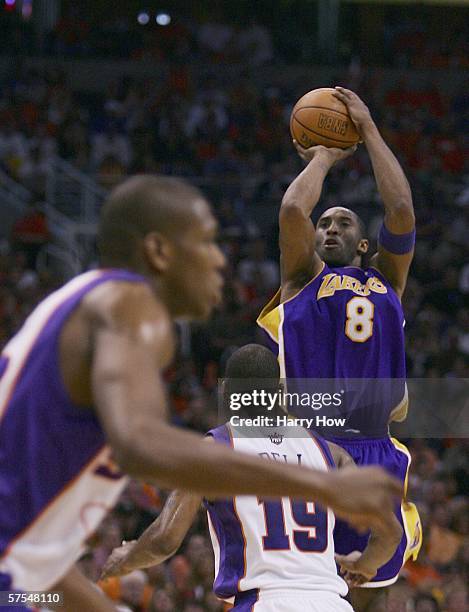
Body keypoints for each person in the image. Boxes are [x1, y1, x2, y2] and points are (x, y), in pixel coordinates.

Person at [0, 175, 401, 611]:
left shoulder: (101, 311)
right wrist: (320, 487)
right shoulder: (126, 307)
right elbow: (141, 444)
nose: (218, 260)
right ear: (159, 252)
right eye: (207, 242)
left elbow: (31, 573)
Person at [257, 88, 422, 612]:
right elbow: (291, 210)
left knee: (371, 583)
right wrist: (325, 154)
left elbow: (399, 209)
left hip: (375, 445)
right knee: (300, 589)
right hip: (314, 444)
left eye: (342, 222)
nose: (329, 228)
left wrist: (368, 129)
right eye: (324, 223)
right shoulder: (302, 278)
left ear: (364, 243)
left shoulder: (388, 280)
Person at [101, 344, 402, 611]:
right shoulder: (331, 453)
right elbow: (390, 533)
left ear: (227, 393)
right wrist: (364, 565)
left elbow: (165, 539)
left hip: (263, 602)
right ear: (281, 392)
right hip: (331, 603)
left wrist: (127, 557)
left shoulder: (213, 452)